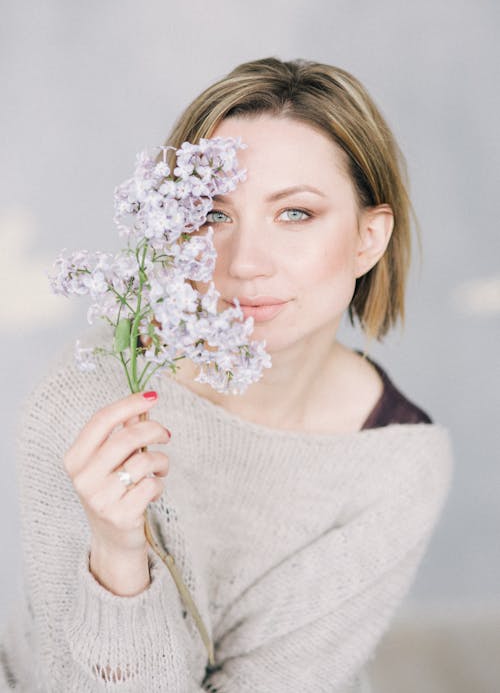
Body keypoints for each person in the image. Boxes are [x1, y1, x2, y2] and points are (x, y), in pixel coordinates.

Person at [0, 57, 454, 692]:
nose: (244, 263)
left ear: (368, 240)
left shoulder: (396, 462)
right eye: (214, 215)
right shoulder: (91, 402)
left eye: (295, 213)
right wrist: (117, 557)